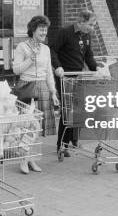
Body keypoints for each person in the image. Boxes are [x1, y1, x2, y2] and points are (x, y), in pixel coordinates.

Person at [12, 15, 60, 174]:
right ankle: (23, 160)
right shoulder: (22, 47)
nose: (44, 32)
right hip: (27, 87)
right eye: (41, 29)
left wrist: (53, 92)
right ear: (33, 30)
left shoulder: (46, 49)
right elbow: (16, 70)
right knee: (27, 126)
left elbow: (48, 73)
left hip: (42, 88)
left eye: (45, 29)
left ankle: (31, 158)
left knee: (38, 128)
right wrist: (30, 60)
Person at [50, 9, 99, 157]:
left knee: (79, 110)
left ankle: (74, 140)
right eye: (91, 24)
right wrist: (57, 66)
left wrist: (96, 69)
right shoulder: (65, 32)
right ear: (81, 22)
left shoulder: (86, 36)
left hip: (79, 77)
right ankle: (62, 145)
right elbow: (52, 50)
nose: (92, 28)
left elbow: (88, 56)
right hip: (65, 77)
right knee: (67, 112)